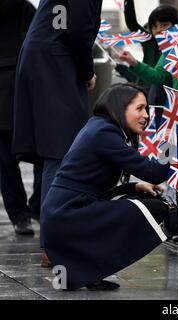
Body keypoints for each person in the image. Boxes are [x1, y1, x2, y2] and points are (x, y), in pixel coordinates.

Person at [42, 83, 171, 291]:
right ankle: (91, 268)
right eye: (139, 108)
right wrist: (171, 146)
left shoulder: (100, 126)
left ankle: (90, 271)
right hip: (67, 218)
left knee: (141, 204)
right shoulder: (105, 133)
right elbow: (155, 172)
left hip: (62, 216)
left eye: (146, 108)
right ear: (120, 107)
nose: (145, 115)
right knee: (156, 209)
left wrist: (135, 186)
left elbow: (90, 187)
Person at [12, 0, 102, 265]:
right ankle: (54, 244)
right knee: (60, 152)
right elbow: (79, 29)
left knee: (56, 151)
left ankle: (53, 241)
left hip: (45, 58)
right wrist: (87, 70)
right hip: (55, 61)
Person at [0, 0, 42, 235]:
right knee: (39, 152)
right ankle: (31, 208)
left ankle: (22, 214)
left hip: (19, 83)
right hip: (25, 83)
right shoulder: (25, 7)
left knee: (7, 160)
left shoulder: (24, 7)